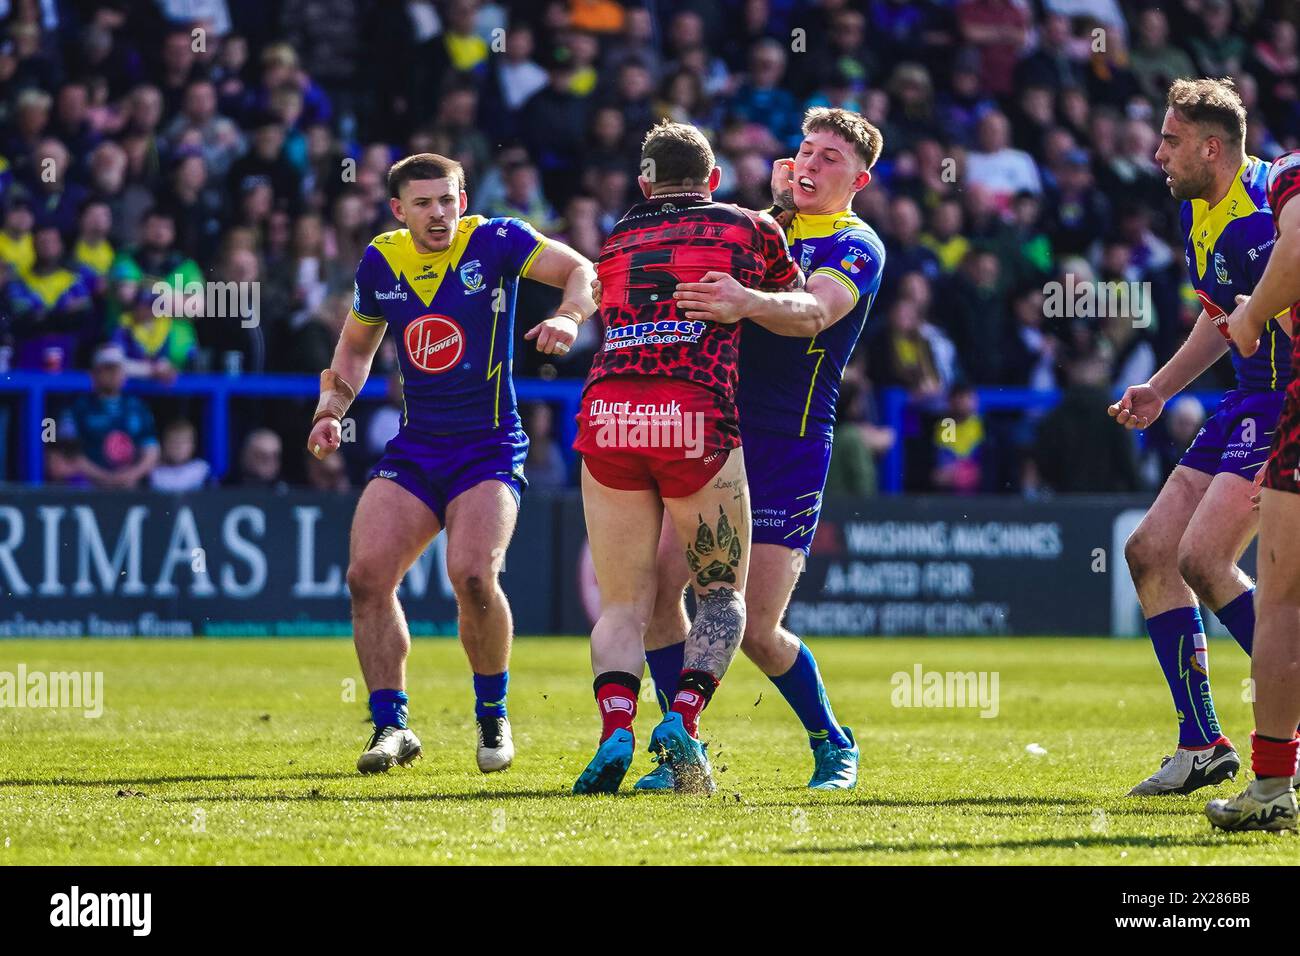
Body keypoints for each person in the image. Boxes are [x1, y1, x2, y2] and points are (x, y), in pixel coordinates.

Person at [306, 153, 594, 776]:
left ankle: (492, 713)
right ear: (398, 210)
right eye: (424, 203)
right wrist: (333, 408)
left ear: (463, 199)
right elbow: (356, 346)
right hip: (419, 447)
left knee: (471, 575)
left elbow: (580, 270)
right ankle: (391, 727)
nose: (439, 214)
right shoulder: (382, 259)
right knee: (365, 577)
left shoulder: (495, 240)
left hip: (489, 445)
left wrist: (568, 318)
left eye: (448, 200)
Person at [638, 107, 885, 791]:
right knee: (662, 591)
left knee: (757, 627)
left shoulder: (857, 243)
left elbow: (812, 312)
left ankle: (833, 742)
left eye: (830, 157)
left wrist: (744, 298)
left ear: (860, 177)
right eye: (805, 149)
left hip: (790, 442)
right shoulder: (761, 226)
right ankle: (680, 755)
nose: (811, 162)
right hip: (715, 433)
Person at [571, 120, 802, 795]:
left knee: (621, 604)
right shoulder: (746, 229)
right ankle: (683, 717)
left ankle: (616, 728)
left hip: (609, 411)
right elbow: (799, 305)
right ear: (713, 179)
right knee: (722, 594)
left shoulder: (616, 239)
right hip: (690, 415)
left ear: (644, 183)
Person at [1109, 78, 1294, 796]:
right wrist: (1160, 388)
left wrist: (1265, 318)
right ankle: (1202, 743)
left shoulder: (1261, 215)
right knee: (1150, 551)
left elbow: (1274, 309)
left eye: (1171, 140)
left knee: (1204, 558)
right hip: (1246, 396)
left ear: (1211, 148)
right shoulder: (1200, 211)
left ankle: (1287, 730)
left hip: (1283, 401)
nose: (1157, 153)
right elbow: (1224, 319)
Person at [1207, 147, 1300, 830]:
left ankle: (1271, 788)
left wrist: (1251, 315)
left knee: (1284, 596)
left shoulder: (1289, 172)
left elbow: (1293, 259)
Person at [56, 343, 160, 488]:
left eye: (117, 369)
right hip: (90, 485)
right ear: (94, 373)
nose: (113, 375)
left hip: (132, 485)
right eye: (106, 369)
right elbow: (70, 454)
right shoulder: (76, 407)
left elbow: (151, 449)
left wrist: (132, 475)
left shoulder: (137, 406)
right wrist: (107, 478)